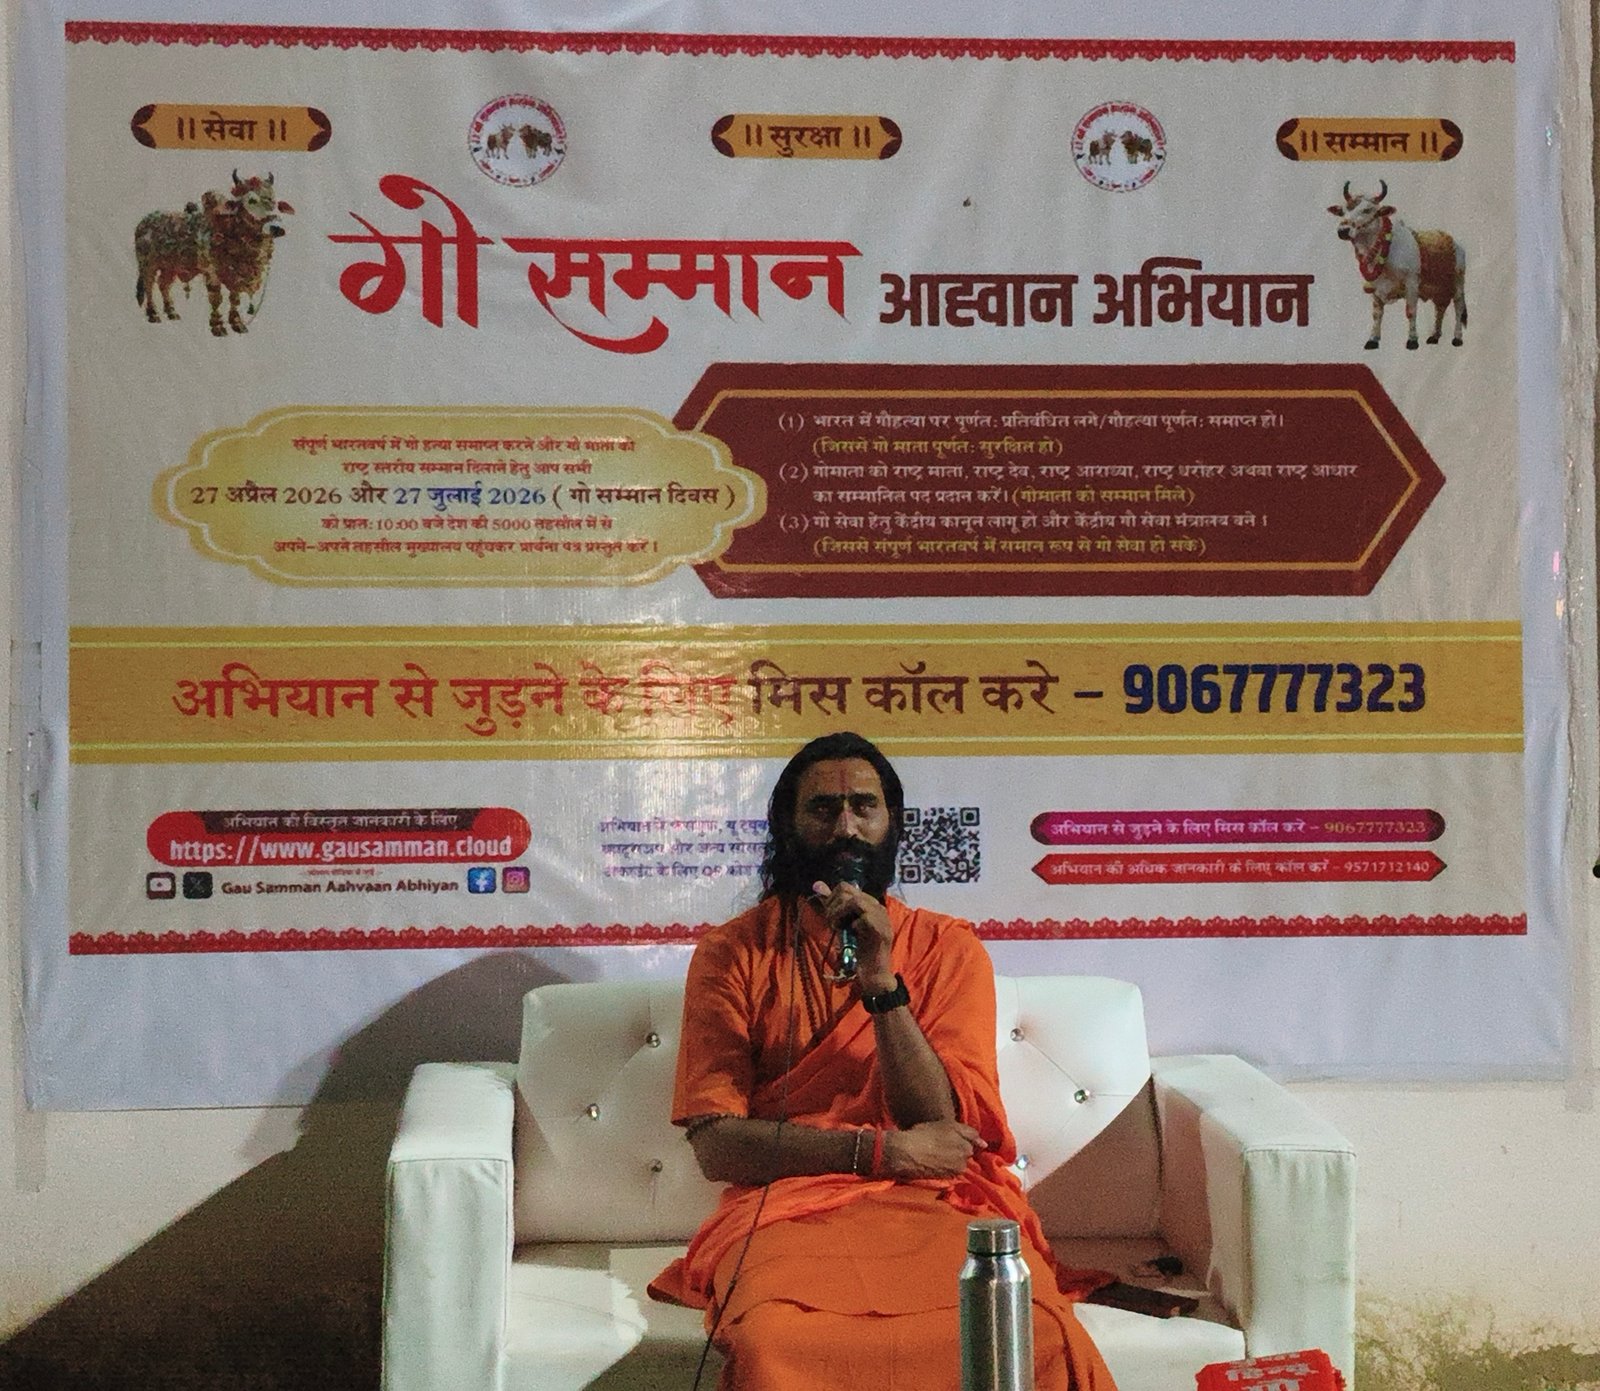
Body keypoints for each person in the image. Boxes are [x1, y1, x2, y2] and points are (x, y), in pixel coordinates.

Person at [648, 732, 1118, 1391]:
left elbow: (942, 1125)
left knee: (1032, 1331)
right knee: (774, 1341)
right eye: (823, 808)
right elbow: (718, 1146)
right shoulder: (732, 953)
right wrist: (880, 1152)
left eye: (863, 806)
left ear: (892, 822)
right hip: (789, 1209)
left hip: (936, 1201)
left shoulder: (948, 948)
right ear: (787, 824)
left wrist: (881, 980)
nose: (845, 827)